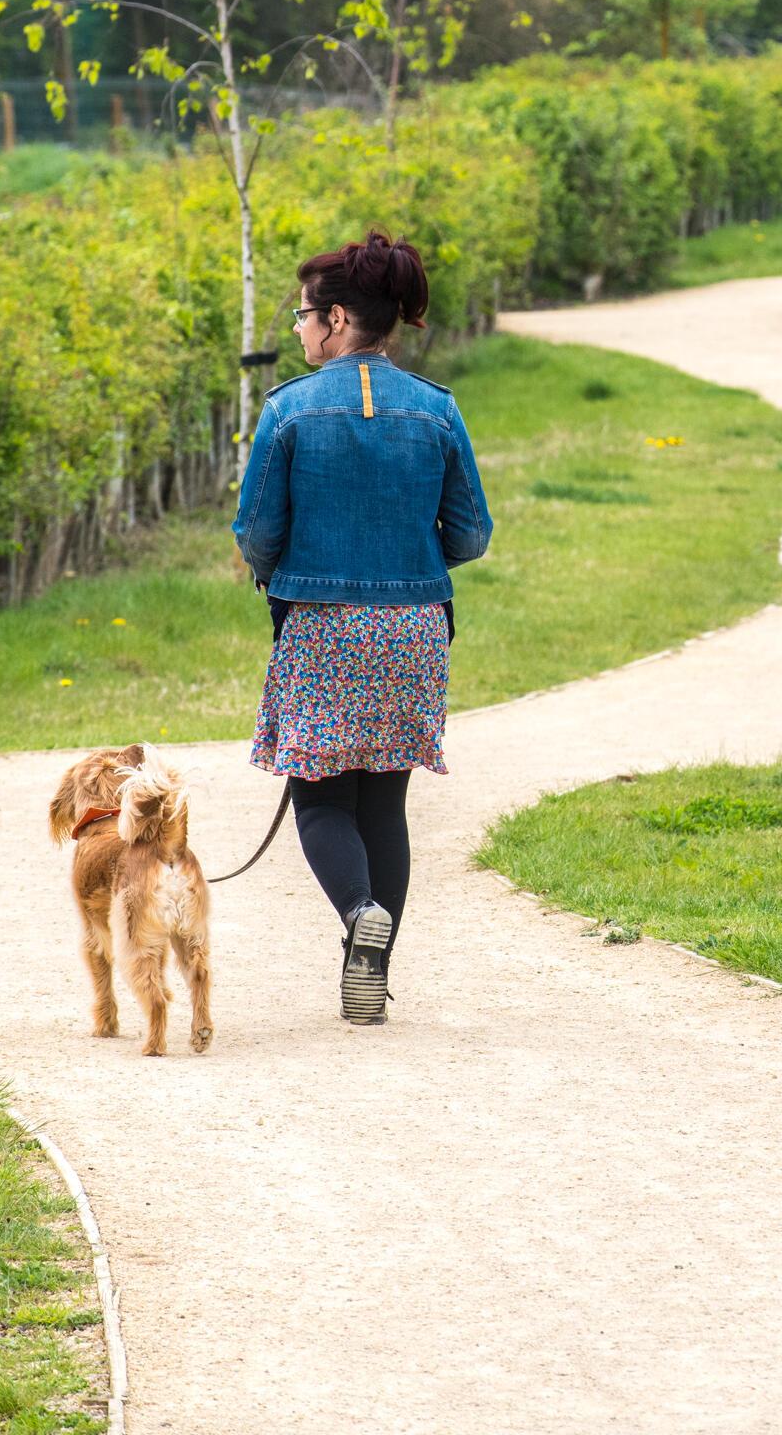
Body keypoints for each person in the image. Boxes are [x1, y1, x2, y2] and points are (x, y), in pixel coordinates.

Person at [233, 227, 492, 1025]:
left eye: (306, 317)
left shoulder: (288, 412)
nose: (301, 331)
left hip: (319, 626)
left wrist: (281, 570)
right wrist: (412, 562)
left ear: (338, 318)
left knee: (318, 800)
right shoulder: (437, 410)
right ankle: (369, 979)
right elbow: (472, 534)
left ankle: (356, 915)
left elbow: (255, 532)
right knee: (385, 805)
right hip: (415, 627)